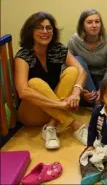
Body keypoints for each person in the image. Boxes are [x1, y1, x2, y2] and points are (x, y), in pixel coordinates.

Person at [14, 12, 88, 150]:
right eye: (40, 28)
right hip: (32, 113)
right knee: (35, 83)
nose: (45, 32)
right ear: (30, 32)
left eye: (49, 28)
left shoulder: (58, 49)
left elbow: (82, 71)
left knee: (72, 71)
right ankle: (74, 125)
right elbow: (23, 92)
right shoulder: (23, 55)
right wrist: (59, 105)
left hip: (53, 110)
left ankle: (51, 127)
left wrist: (76, 93)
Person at [68, 9, 107, 107]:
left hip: (102, 79)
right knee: (77, 60)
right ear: (83, 25)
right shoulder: (74, 40)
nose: (94, 25)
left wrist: (103, 89)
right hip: (83, 81)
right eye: (89, 22)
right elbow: (66, 66)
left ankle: (96, 101)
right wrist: (81, 91)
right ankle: (96, 102)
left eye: (97, 22)